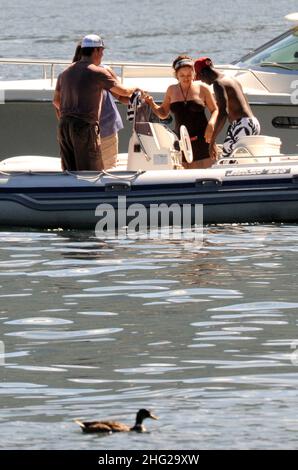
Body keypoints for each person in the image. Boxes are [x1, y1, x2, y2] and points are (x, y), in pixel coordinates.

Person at [52, 34, 139, 171]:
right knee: (93, 172)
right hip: (85, 127)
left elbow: (56, 101)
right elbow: (123, 92)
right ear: (96, 50)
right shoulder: (98, 72)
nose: (102, 54)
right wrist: (136, 90)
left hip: (64, 127)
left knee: (70, 170)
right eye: (102, 51)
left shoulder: (65, 72)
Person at [144, 55, 218, 169]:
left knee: (205, 177)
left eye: (189, 75)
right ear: (176, 75)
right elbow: (163, 113)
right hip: (181, 142)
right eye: (182, 75)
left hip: (204, 140)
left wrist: (211, 124)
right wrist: (151, 103)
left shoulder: (203, 88)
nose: (186, 78)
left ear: (194, 73)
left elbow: (215, 110)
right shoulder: (171, 90)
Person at [72, 43, 126, 170]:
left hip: (102, 127)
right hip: (88, 128)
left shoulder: (71, 73)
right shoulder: (72, 73)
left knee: (100, 166)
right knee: (104, 167)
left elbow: (119, 95)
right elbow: (122, 94)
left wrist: (136, 99)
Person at [194, 57, 261, 159]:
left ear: (204, 73)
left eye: (199, 77)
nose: (202, 81)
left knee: (228, 160)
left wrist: (212, 141)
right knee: (239, 160)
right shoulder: (231, 79)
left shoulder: (218, 83)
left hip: (243, 125)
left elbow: (223, 113)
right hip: (252, 123)